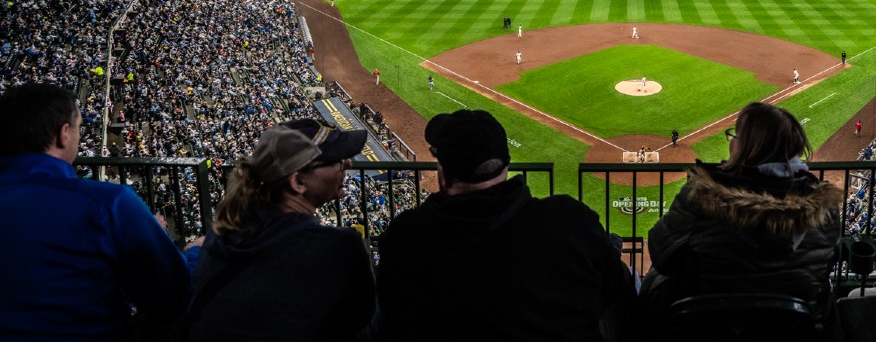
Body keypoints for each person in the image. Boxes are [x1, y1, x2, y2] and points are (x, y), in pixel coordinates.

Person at [377, 110, 635, 341]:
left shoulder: (406, 235)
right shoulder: (569, 221)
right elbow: (615, 291)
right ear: (506, 166)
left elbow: (390, 312)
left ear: (443, 175)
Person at [0, 83, 191, 340]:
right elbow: (173, 296)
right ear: (63, 134)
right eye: (79, 127)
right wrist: (192, 250)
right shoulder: (108, 203)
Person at [642, 103, 843, 323]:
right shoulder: (825, 209)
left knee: (654, 281)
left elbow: (661, 255)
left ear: (747, 147)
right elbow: (827, 265)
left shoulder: (700, 195)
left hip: (706, 325)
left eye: (736, 137)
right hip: (788, 328)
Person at [183, 119, 375, 342]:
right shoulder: (339, 246)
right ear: (298, 183)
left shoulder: (223, 231)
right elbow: (356, 319)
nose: (348, 164)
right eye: (337, 161)